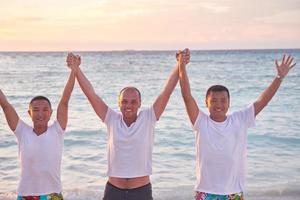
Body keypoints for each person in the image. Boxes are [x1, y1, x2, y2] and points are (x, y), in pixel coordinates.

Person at [66, 52, 188, 200]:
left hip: (141, 191)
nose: (128, 105)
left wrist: (179, 65)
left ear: (139, 104)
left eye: (133, 102)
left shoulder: (149, 117)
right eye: (124, 101)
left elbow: (166, 92)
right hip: (113, 191)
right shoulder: (111, 118)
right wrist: (76, 69)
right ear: (119, 103)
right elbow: (91, 94)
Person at [178, 51, 296, 200]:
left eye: (223, 100)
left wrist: (279, 78)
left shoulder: (239, 119)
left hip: (233, 192)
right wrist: (181, 65)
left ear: (229, 103)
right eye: (214, 100)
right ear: (206, 103)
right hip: (206, 191)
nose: (219, 104)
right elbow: (187, 96)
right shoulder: (200, 121)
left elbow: (263, 101)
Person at [0, 54, 76, 200]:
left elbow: (65, 100)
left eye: (45, 110)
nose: (40, 114)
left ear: (51, 112)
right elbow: (5, 104)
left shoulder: (57, 130)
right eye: (35, 110)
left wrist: (74, 71)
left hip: (53, 194)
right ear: (29, 113)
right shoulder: (22, 131)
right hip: (26, 195)